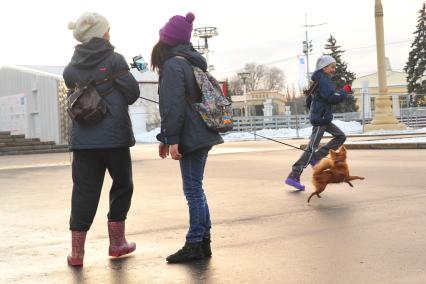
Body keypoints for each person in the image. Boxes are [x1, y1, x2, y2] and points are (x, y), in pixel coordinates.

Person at [63, 12, 140, 266]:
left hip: (84, 140)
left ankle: (77, 254)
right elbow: (132, 93)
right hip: (114, 138)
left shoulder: (71, 67)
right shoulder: (115, 59)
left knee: (83, 191)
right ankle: (117, 244)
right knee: (121, 185)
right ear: (102, 33)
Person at [151, 12, 224, 263]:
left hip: (190, 133)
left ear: (167, 40)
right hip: (201, 130)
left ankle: (195, 242)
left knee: (193, 190)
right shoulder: (190, 61)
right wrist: (167, 137)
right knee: (196, 189)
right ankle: (203, 241)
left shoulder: (173, 65)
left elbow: (173, 107)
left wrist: (171, 139)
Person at [285, 55, 352, 190]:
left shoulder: (320, 80)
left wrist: (317, 108)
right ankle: (294, 174)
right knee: (311, 148)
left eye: (334, 67)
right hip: (321, 120)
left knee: (340, 136)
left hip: (323, 118)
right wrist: (344, 93)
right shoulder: (323, 80)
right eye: (332, 67)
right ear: (324, 67)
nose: (334, 69)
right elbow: (331, 97)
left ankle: (316, 157)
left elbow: (310, 100)